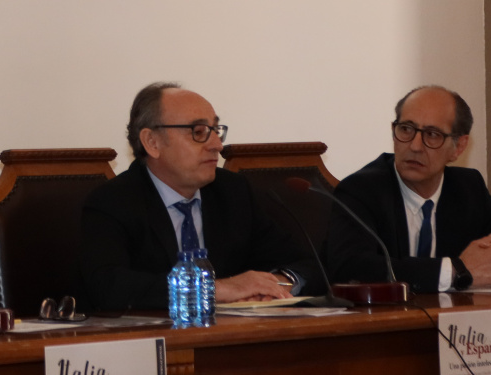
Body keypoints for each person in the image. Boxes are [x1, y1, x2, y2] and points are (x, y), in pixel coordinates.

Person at [81, 83, 321, 311]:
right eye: (198, 132)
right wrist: (215, 289)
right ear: (152, 142)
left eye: (216, 131)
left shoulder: (232, 192)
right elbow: (108, 287)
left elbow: (308, 264)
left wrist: (276, 286)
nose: (217, 145)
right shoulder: (112, 202)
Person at [323, 86, 491, 293]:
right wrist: (458, 270)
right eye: (406, 129)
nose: (415, 146)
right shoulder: (362, 190)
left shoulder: (467, 189)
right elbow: (349, 268)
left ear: (458, 147)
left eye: (432, 135)